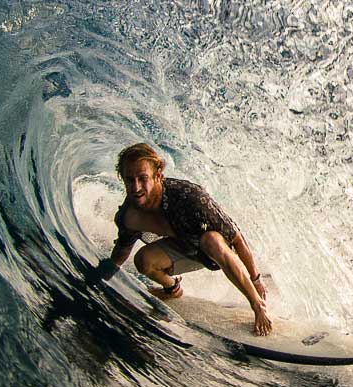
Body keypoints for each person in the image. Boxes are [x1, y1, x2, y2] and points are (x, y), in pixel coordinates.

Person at [91, 143, 272, 336]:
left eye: (142, 179)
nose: (136, 187)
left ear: (157, 176)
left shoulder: (189, 198)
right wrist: (97, 281)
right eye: (130, 180)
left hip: (213, 252)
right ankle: (172, 289)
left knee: (211, 239)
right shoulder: (129, 215)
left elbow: (237, 239)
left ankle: (257, 305)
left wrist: (256, 280)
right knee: (143, 261)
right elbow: (120, 252)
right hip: (184, 249)